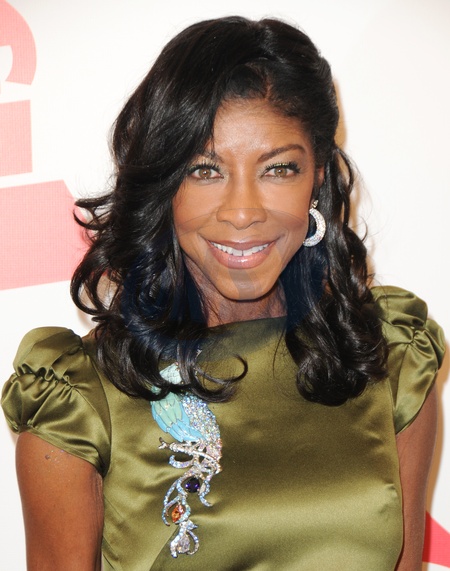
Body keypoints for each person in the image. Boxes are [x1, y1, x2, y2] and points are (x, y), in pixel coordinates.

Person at [1, 16, 445, 571]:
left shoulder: (389, 357)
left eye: (278, 169)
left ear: (317, 176)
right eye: (205, 170)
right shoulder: (78, 398)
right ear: (165, 184)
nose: (242, 212)